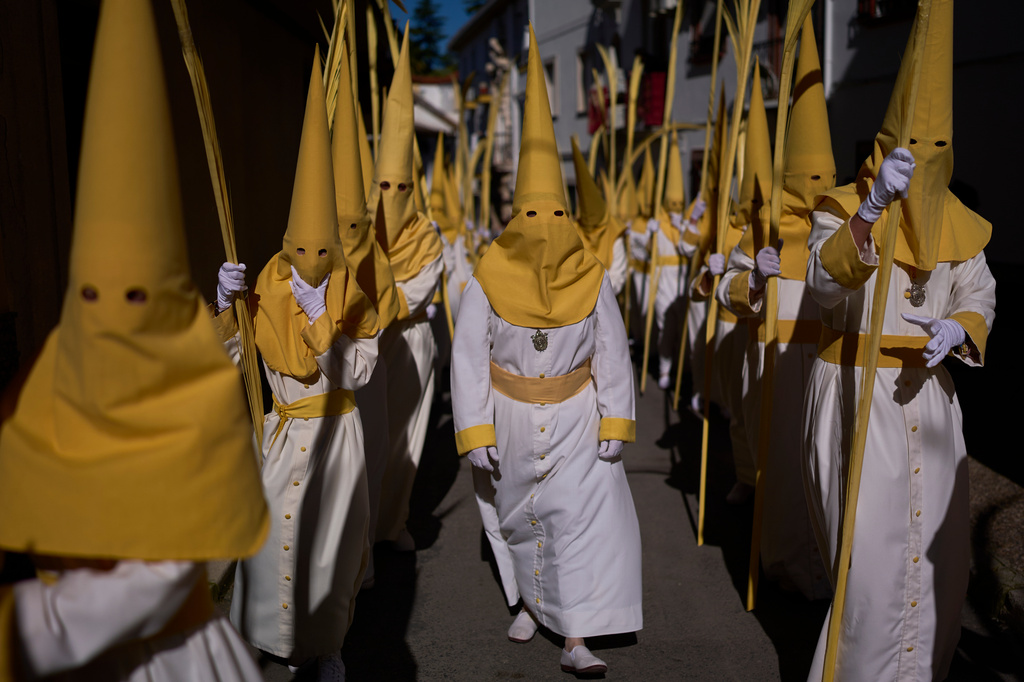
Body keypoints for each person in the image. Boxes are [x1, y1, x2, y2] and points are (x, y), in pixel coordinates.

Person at [0, 0, 269, 678]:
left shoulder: (189, 394)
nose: (114, 318)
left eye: (140, 302)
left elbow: (163, 571)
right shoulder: (40, 386)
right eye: (92, 298)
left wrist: (26, 624)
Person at [802, 1, 995, 677]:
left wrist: (960, 327)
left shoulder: (958, 223)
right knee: (873, 568)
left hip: (930, 403)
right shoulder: (840, 209)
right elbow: (823, 286)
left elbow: (980, 291)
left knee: (940, 565)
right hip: (859, 396)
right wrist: (871, 213)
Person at [451, 25, 642, 675]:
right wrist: (473, 428)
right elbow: (469, 358)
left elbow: (612, 351)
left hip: (577, 418)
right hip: (508, 415)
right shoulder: (485, 275)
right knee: (520, 517)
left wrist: (617, 416)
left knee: (580, 521)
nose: (543, 231)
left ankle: (577, 636)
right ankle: (533, 604)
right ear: (515, 217)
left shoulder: (591, 275)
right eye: (531, 217)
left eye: (553, 217)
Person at [219, 48, 381, 681]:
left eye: (323, 250)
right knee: (266, 549)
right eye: (298, 250)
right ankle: (260, 635)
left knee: (327, 550)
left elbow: (358, 372)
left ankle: (326, 646)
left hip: (335, 440)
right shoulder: (266, 283)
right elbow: (229, 356)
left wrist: (320, 321)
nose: (310, 260)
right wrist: (225, 302)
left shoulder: (352, 295)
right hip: (281, 434)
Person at [716, 18, 831, 598]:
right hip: (779, 367)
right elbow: (726, 292)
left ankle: (836, 571)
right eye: (805, 178)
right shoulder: (762, 229)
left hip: (836, 369)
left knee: (832, 471)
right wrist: (753, 282)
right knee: (785, 468)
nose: (815, 188)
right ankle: (788, 566)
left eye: (824, 177)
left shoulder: (849, 222)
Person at [370, 28, 445, 551]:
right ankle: (362, 533)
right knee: (367, 442)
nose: (392, 197)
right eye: (383, 187)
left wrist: (374, 295)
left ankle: (393, 524)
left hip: (411, 343)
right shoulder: (357, 230)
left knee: (406, 442)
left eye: (401, 188)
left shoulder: (430, 236)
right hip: (366, 346)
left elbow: (414, 293)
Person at [331, 39, 402, 591]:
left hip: (365, 375)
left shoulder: (377, 258)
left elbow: (389, 308)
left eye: (358, 226)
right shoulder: (289, 270)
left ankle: (365, 560)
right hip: (310, 400)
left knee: (369, 460)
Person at [569, 137, 628, 296]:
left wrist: (594, 291)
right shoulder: (572, 232)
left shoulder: (613, 233)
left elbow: (618, 276)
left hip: (604, 300)